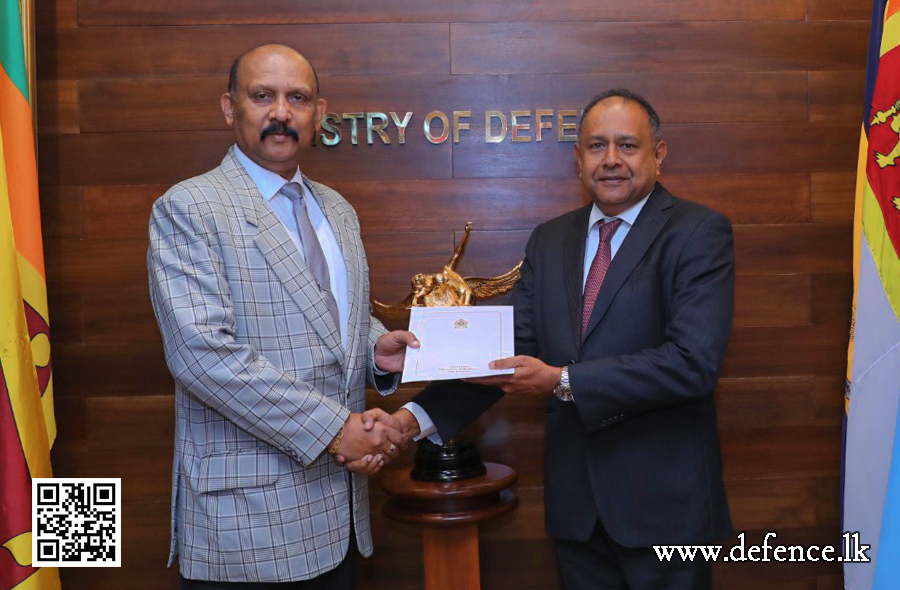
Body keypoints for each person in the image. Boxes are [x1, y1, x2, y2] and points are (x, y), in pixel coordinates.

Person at [380, 89, 735, 589]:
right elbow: (504, 355)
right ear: (578, 159)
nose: (610, 160)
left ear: (658, 154)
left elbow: (691, 363)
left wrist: (562, 380)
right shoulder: (551, 239)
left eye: (627, 146)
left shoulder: (698, 232)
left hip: (665, 513)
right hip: (577, 513)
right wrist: (408, 418)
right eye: (596, 146)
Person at [147, 43, 418, 589]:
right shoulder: (188, 207)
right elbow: (201, 356)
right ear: (229, 107)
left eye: (297, 98)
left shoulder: (336, 209)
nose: (280, 113)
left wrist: (375, 351)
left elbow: (337, 319)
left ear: (319, 114)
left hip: (336, 512)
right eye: (262, 96)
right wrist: (336, 430)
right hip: (244, 524)